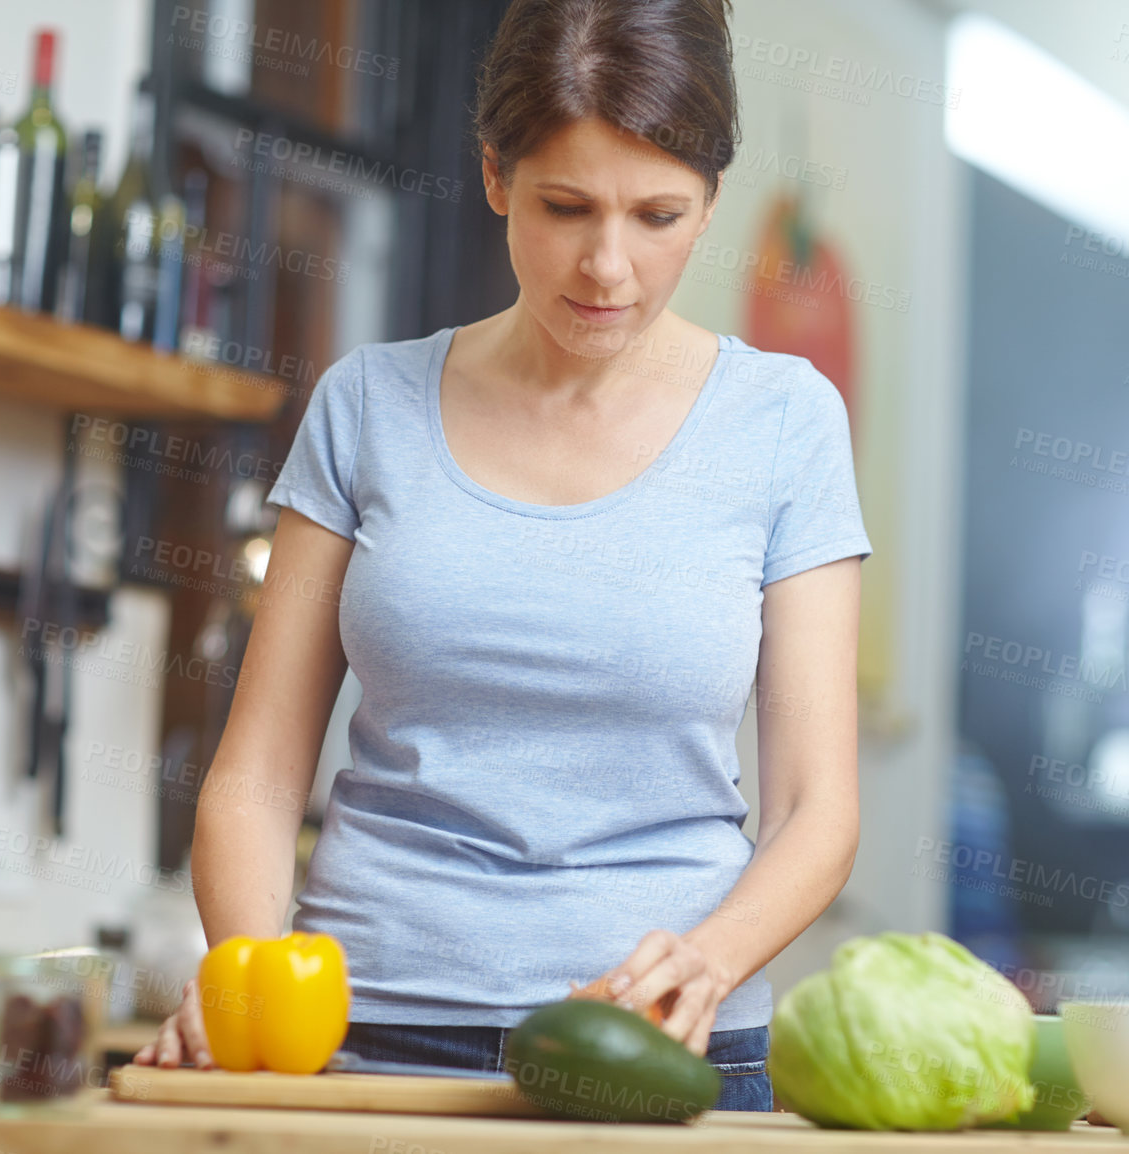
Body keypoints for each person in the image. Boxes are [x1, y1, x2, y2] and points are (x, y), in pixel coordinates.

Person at [134, 0, 870, 1112]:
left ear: (711, 201)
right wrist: (244, 977)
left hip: (668, 1045)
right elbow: (254, 772)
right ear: (493, 175)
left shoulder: (784, 422)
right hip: (361, 1029)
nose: (608, 265)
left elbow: (818, 805)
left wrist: (707, 960)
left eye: (659, 215)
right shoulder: (366, 405)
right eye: (563, 205)